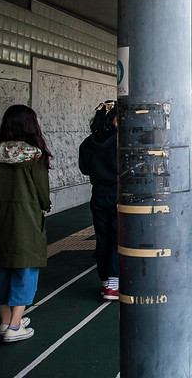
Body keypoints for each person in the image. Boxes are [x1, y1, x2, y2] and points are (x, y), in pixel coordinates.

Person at [0, 104, 52, 343]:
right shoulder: (35, 155)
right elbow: (42, 193)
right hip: (26, 217)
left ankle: (5, 322)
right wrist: (45, 205)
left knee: (1, 267)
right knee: (25, 268)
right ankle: (15, 327)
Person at [78, 100, 120, 301]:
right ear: (114, 119)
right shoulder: (121, 141)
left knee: (103, 237)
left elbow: (85, 169)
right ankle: (114, 281)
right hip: (119, 192)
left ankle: (105, 282)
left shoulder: (87, 142)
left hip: (98, 193)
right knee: (118, 236)